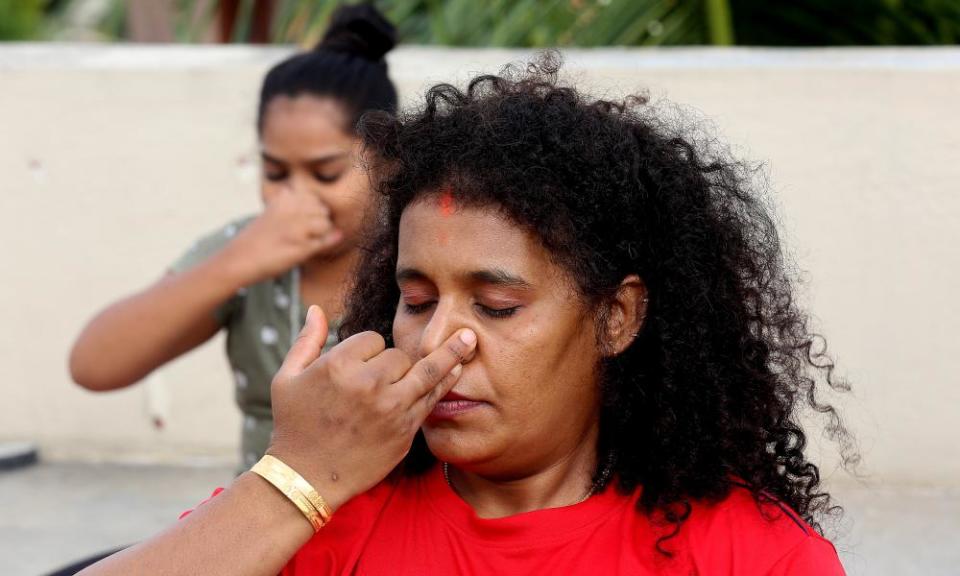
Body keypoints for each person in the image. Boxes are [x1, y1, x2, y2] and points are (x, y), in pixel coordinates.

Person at [80, 55, 851, 575]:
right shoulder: (326, 508)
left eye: (497, 304)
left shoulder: (747, 552)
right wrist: (297, 475)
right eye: (415, 300)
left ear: (617, 317)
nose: (439, 338)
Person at [69, 4, 398, 470]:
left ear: (388, 161)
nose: (294, 197)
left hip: (399, 528)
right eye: (275, 172)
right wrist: (238, 263)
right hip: (266, 532)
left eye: (326, 173)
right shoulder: (243, 250)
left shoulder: (420, 249)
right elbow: (94, 365)